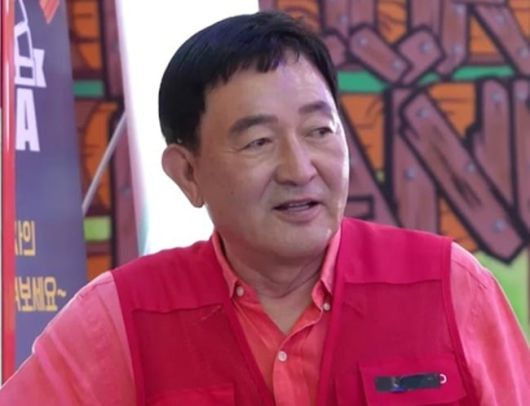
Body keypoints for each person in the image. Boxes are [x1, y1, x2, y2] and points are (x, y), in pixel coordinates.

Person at [1, 10, 529, 405]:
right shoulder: (119, 317)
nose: (299, 169)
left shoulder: (450, 286)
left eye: (319, 130)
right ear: (187, 173)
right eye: (258, 142)